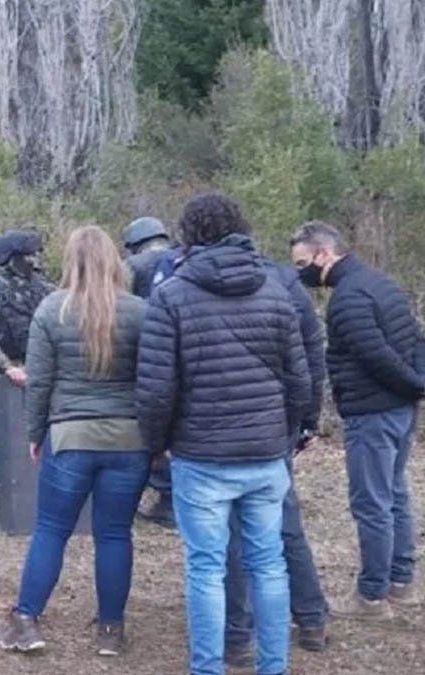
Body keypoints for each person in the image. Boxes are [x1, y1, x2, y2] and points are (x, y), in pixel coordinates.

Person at [135, 194, 311, 675]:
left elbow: (155, 389)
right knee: (268, 564)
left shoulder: (171, 295)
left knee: (207, 568)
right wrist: (291, 433)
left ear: (188, 235)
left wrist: (154, 445)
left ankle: (208, 668)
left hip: (202, 455)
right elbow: (299, 377)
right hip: (264, 452)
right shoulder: (276, 289)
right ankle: (273, 666)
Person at [0, 226, 149, 657]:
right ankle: (111, 631)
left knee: (51, 530)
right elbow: (153, 381)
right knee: (115, 535)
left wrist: (35, 433)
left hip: (70, 437)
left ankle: (26, 620)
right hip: (128, 440)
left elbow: (39, 382)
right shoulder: (139, 312)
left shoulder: (51, 310)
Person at [290, 221, 423, 619]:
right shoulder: (381, 283)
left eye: (302, 263)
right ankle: (402, 582)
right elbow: (416, 338)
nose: (300, 273)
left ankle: (372, 595)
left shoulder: (348, 299)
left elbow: (376, 356)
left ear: (323, 254)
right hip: (399, 409)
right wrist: (416, 386)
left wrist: (414, 384)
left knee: (372, 503)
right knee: (395, 493)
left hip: (374, 412)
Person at [223, 252, 330, 664]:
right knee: (283, 522)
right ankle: (311, 618)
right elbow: (311, 358)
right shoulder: (286, 285)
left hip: (218, 428)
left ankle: (239, 634)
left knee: (231, 532)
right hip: (275, 423)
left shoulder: (192, 282)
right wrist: (305, 418)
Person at [0, 229, 56, 479]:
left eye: (36, 254)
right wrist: (7, 367)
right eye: (28, 255)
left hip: (33, 359)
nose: (34, 260)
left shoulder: (45, 291)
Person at [121, 216, 178, 528]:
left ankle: (162, 494)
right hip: (183, 357)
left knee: (144, 429)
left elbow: (118, 306)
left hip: (145, 357)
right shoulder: (184, 257)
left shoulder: (133, 266)